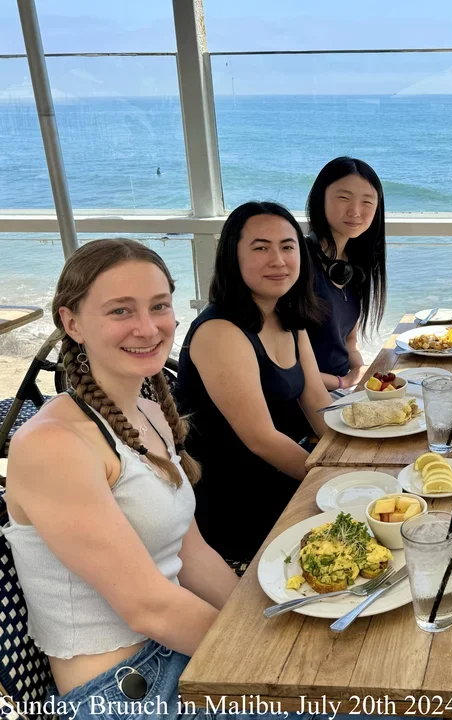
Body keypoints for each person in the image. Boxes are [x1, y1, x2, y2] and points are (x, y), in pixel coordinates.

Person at [1, 239, 285, 718]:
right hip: (126, 691)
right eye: (120, 311)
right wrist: (267, 658)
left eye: (159, 306)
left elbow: (193, 555)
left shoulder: (149, 413)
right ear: (72, 323)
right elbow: (147, 607)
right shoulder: (53, 445)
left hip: (179, 645)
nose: (148, 327)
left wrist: (259, 625)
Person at [176, 201, 333, 566]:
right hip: (236, 504)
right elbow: (261, 439)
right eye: (261, 247)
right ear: (233, 257)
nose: (278, 260)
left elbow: (318, 402)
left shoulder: (286, 314)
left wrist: (350, 463)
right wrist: (328, 484)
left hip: (279, 478)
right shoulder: (221, 331)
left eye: (287, 246)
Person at [305, 157, 386, 392]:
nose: (355, 211)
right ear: (320, 198)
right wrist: (344, 382)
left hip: (339, 388)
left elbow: (350, 341)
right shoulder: (297, 261)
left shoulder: (354, 265)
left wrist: (360, 370)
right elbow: (281, 365)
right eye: (343, 198)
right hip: (306, 396)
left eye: (367, 201)